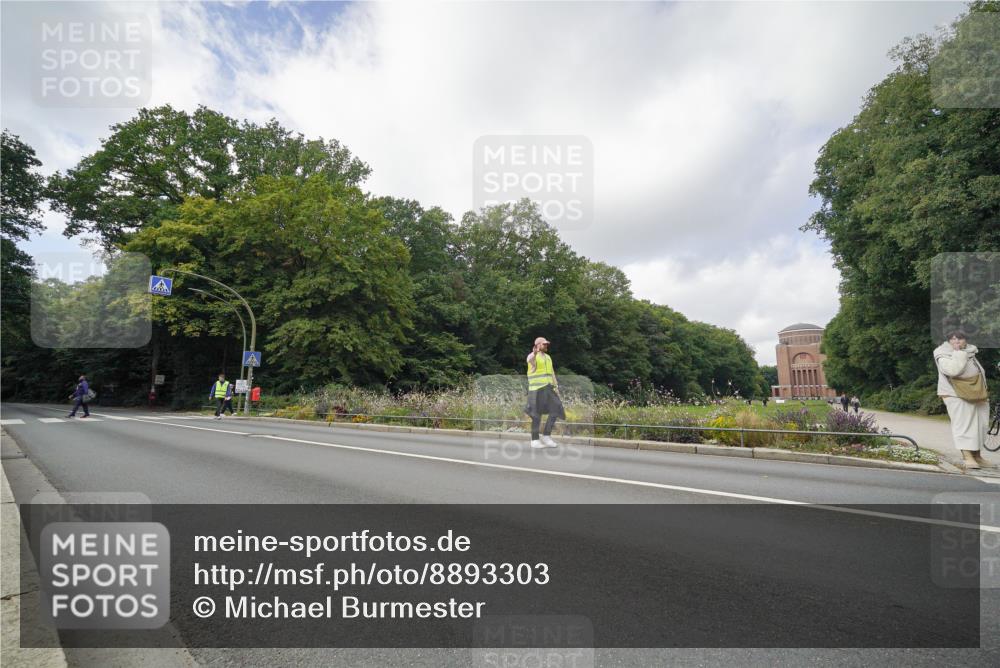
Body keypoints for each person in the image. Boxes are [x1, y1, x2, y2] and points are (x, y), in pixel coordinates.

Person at [934, 330, 993, 470]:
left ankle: (977, 456)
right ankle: (967, 457)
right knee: (964, 425)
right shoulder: (942, 353)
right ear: (948, 341)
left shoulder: (971, 352)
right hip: (955, 394)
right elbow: (953, 370)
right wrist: (958, 352)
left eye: (960, 339)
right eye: (953, 339)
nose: (957, 342)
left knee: (981, 425)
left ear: (966, 340)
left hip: (977, 393)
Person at [525, 337, 565, 449]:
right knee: (536, 415)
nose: (546, 346)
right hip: (536, 390)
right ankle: (534, 440)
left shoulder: (548, 357)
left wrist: (556, 387)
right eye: (544, 344)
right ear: (537, 345)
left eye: (547, 344)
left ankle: (546, 436)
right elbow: (530, 360)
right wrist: (534, 353)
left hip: (548, 388)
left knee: (556, 409)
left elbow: (552, 373)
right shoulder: (532, 356)